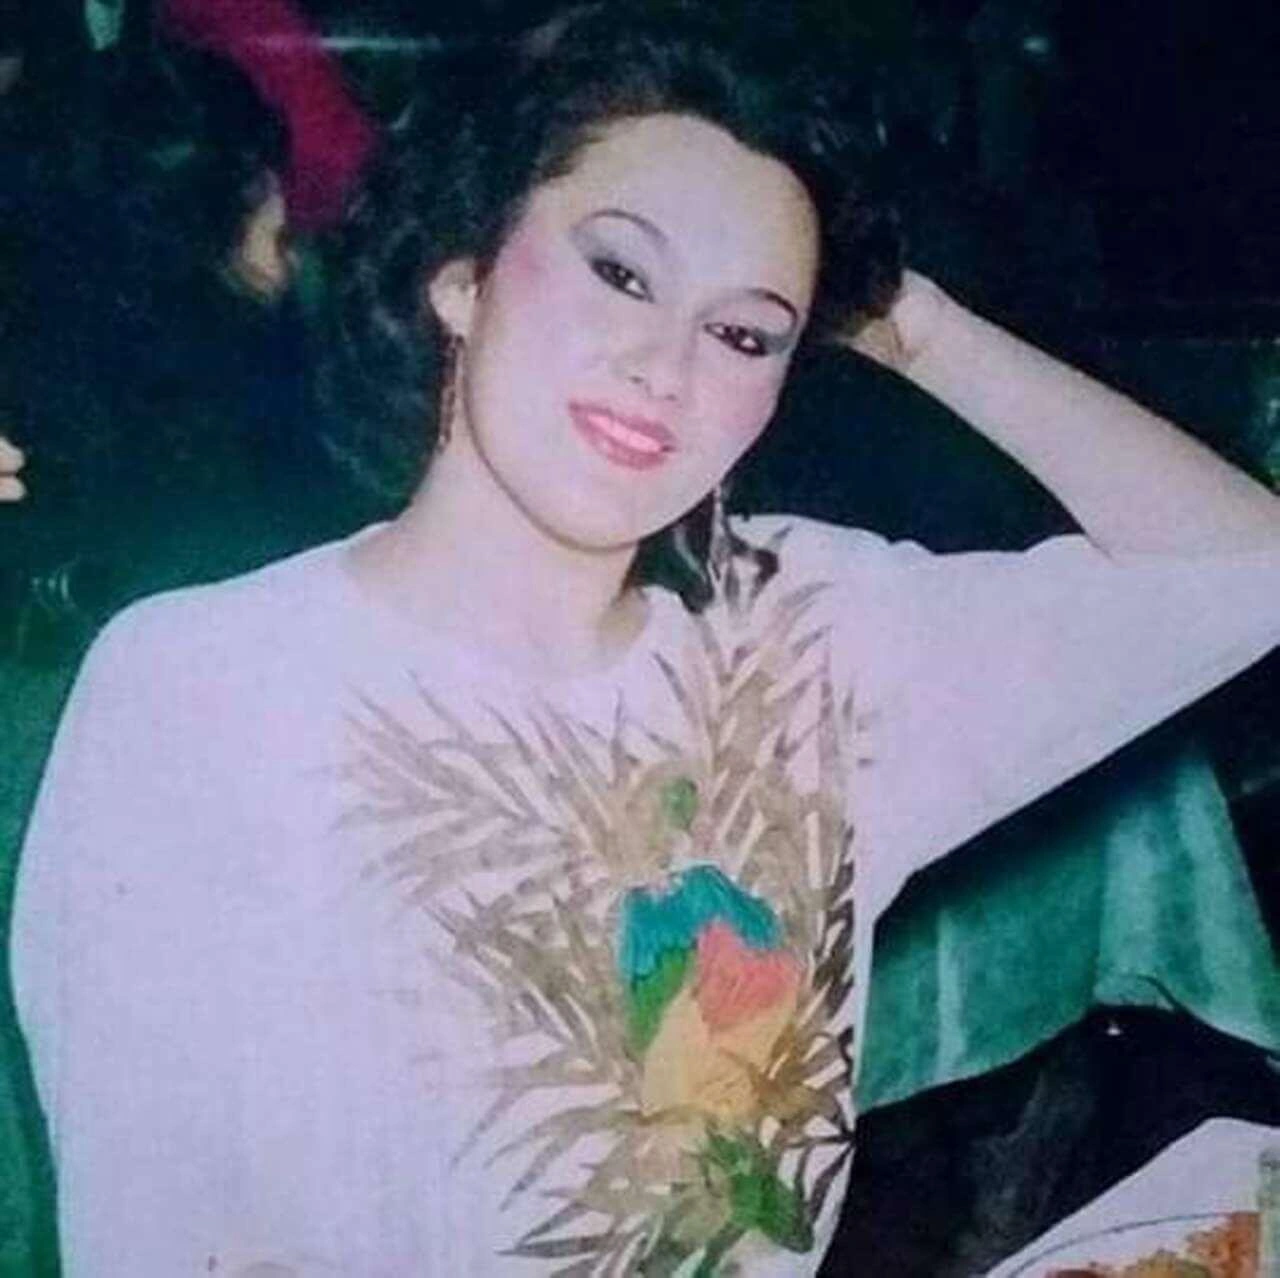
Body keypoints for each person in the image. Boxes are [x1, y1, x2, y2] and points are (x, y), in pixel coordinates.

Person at [10, 5, 1280, 1275]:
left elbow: (1247, 574)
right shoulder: (206, 686)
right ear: (462, 274)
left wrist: (920, 328)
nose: (663, 366)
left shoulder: (808, 636)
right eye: (620, 272)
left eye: (743, 332)